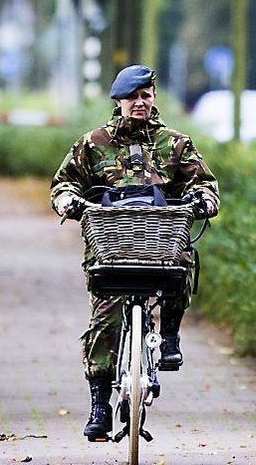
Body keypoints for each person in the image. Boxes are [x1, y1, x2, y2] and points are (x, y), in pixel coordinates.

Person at [49, 64, 219, 441]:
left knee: (183, 264)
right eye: (132, 97)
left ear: (154, 98)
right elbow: (63, 183)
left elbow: (205, 183)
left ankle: (170, 336)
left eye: (146, 96)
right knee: (105, 321)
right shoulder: (94, 143)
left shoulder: (175, 143)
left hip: (161, 243)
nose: (139, 103)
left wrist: (204, 200)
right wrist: (68, 202)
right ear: (119, 101)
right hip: (111, 248)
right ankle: (99, 404)